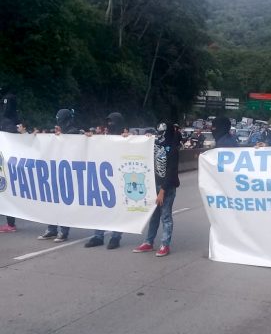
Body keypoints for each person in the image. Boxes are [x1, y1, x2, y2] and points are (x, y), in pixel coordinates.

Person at [133, 122, 180, 257]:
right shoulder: (154, 144)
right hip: (153, 185)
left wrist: (162, 191)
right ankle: (148, 242)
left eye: (162, 132)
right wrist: (145, 138)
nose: (160, 135)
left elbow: (171, 171)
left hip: (167, 187)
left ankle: (165, 244)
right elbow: (137, 147)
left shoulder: (173, 148)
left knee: (165, 216)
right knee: (154, 216)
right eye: (158, 132)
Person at [37, 109, 80, 242]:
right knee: (52, 202)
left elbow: (72, 142)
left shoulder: (73, 131)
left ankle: (64, 231)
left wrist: (61, 135)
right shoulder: (59, 132)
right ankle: (51, 229)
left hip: (67, 171)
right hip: (55, 169)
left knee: (64, 203)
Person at [84, 112, 125, 250]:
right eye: (108, 122)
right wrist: (89, 138)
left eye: (112, 122)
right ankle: (98, 236)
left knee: (118, 210)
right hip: (104, 177)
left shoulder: (125, 139)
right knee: (100, 208)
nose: (109, 125)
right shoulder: (103, 138)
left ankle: (116, 237)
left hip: (118, 178)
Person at [0, 93, 20, 233]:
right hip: (10, 161)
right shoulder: (15, 119)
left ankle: (11, 224)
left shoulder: (7, 121)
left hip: (8, 162)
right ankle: (10, 223)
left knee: (7, 191)